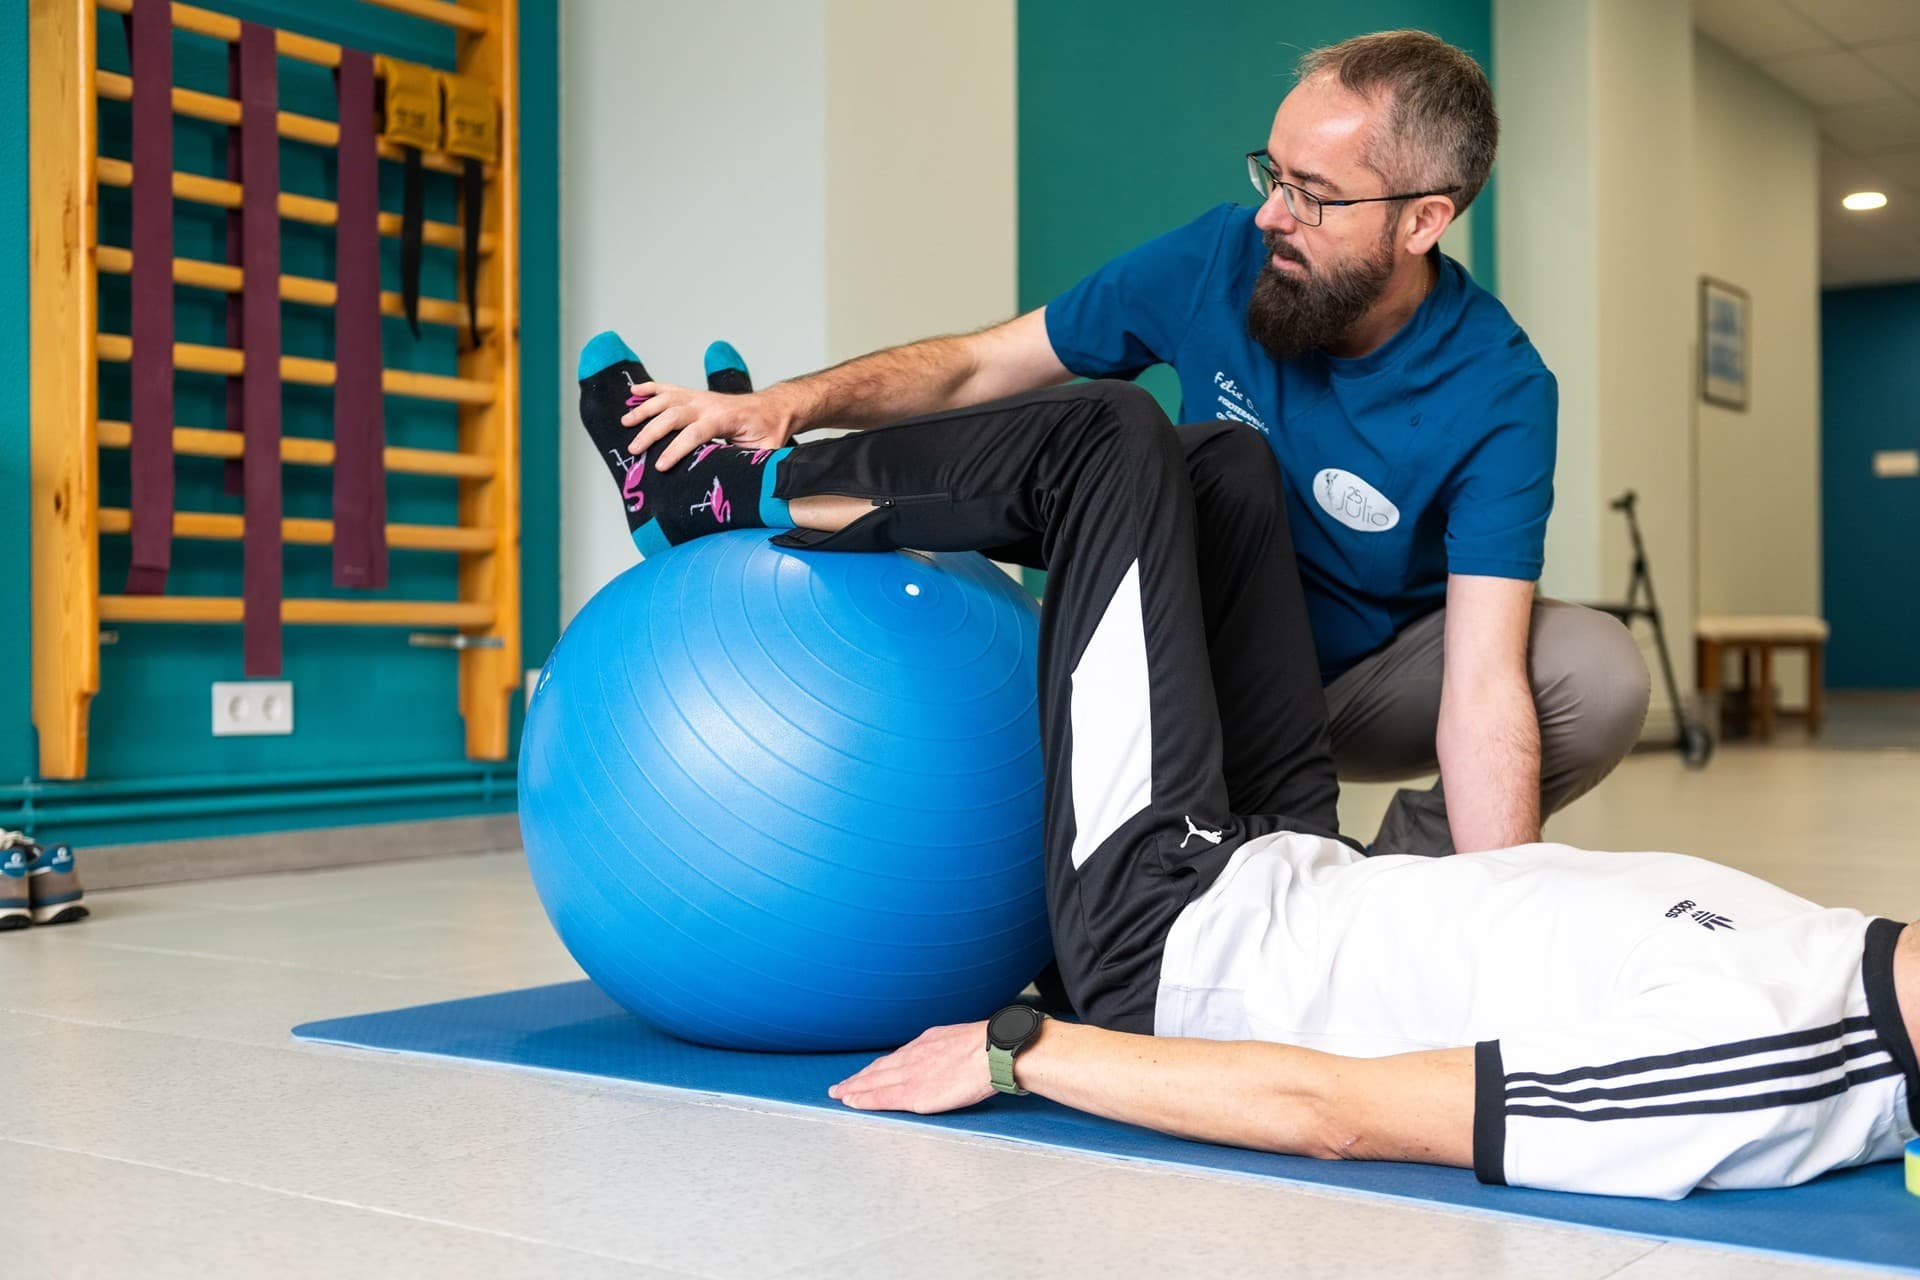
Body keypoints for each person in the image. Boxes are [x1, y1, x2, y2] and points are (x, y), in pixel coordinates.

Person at [574, 334, 1917, 1200]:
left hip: (1173, 934)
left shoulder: (1773, 1065)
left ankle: (744, 494)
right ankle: (813, 498)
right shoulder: (1843, 946)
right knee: (1227, 467)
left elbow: (1339, 1111)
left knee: (1103, 440)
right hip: (1293, 860)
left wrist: (1023, 1052)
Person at [611, 30, 1652, 858]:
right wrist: (798, 400)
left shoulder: (1500, 387)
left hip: (1359, 675)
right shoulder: (1219, 258)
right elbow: (982, 365)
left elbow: (1478, 678)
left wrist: (1506, 910)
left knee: (1594, 672)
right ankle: (748, 489)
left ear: (1424, 220)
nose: (1269, 217)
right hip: (1188, 653)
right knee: (1139, 436)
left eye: (1313, 196)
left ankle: (1390, 901)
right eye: (1271, 173)